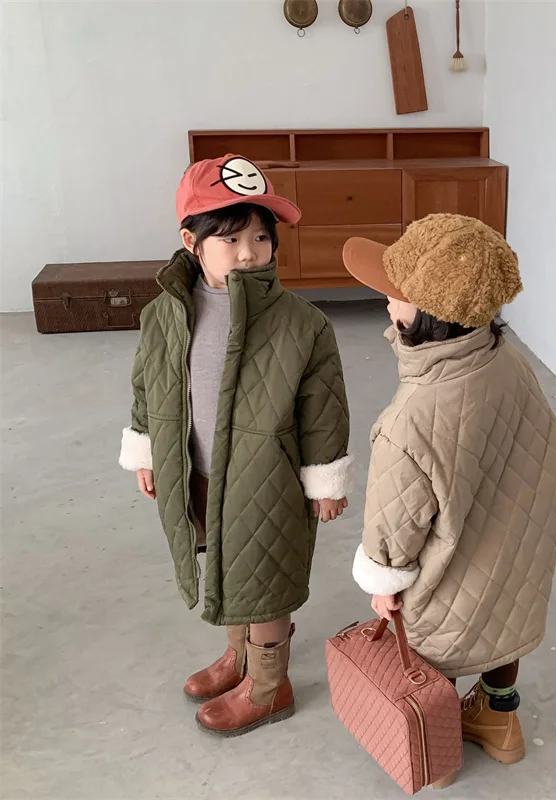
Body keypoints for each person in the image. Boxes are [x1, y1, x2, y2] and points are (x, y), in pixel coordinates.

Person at [118, 154, 353, 737]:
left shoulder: (302, 324)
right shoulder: (164, 314)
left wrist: (324, 479)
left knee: (264, 573)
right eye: (229, 239)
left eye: (260, 237)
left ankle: (270, 686)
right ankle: (240, 655)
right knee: (226, 562)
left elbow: (323, 408)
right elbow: (148, 383)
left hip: (266, 476)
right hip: (196, 469)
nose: (249, 253)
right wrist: (146, 448)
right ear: (191, 242)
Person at [342, 214, 556, 787]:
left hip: (452, 566)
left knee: (433, 640)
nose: (385, 300)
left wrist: (384, 583)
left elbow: (393, 527)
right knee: (502, 619)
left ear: (426, 313)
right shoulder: (506, 359)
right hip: (516, 544)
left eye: (395, 293)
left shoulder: (410, 420)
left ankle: (434, 749)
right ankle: (500, 719)